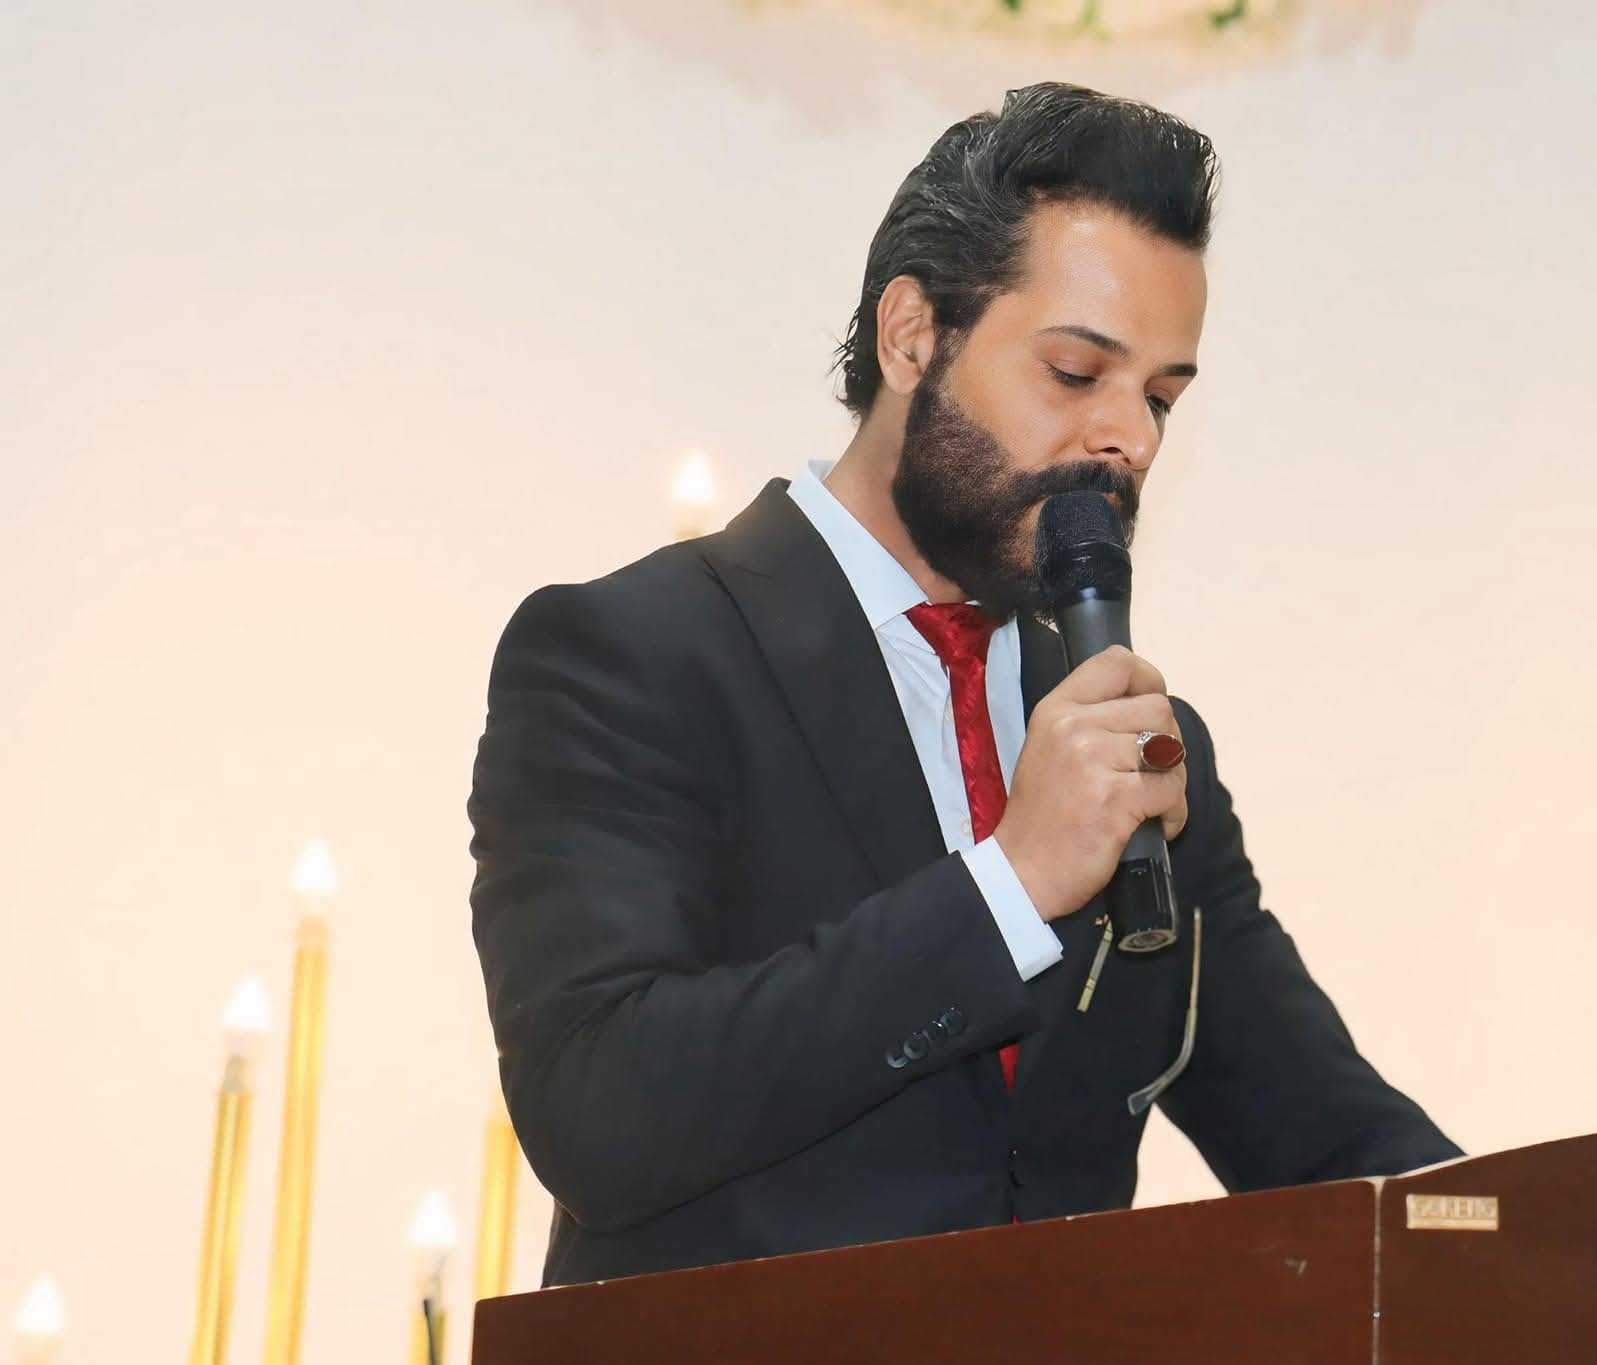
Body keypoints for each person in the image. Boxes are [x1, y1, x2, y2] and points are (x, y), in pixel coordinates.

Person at [467, 81, 1459, 1289]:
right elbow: (599, 1111)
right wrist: (1011, 884)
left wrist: (1577, 1258)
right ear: (910, 336)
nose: (1132, 439)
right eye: (1075, 372)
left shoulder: (1133, 743)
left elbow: (1331, 1143)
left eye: (1159, 397)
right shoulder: (634, 653)